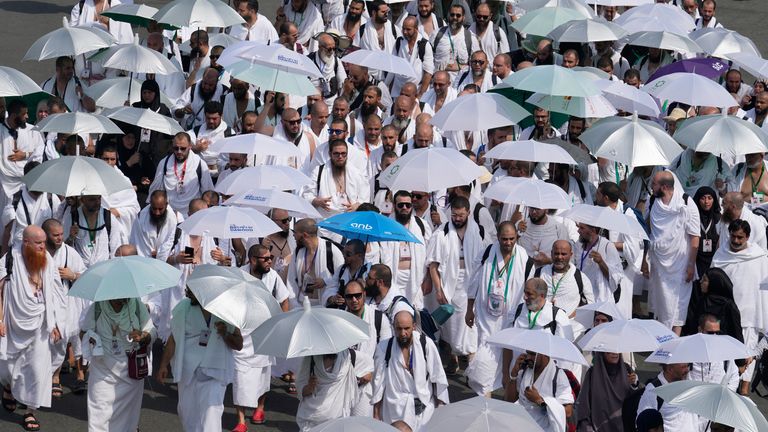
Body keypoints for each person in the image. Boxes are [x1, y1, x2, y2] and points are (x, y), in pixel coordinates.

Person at [0, 226, 63, 432]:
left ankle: (30, 411)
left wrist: (54, 323)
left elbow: (54, 294)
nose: (43, 247)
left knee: (37, 370)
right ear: (25, 243)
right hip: (12, 323)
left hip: (40, 324)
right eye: (38, 243)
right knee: (8, 368)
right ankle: (8, 387)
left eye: (44, 243)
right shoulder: (9, 260)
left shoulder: (48, 260)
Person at [156, 288, 243, 432]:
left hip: (214, 373)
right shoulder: (184, 307)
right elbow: (173, 339)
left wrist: (225, 333)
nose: (187, 293)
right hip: (188, 372)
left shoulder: (226, 310)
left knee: (211, 418)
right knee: (188, 416)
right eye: (187, 289)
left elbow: (239, 344)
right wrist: (163, 365)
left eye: (190, 290)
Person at [465, 222, 531, 396]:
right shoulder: (487, 253)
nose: (508, 243)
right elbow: (473, 281)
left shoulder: (523, 256)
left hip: (511, 318)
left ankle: (508, 394)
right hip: (487, 316)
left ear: (516, 237)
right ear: (498, 238)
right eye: (504, 239)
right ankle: (484, 395)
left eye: (512, 239)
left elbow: (529, 285)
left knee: (510, 361)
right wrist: (469, 308)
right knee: (486, 356)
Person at [426, 196, 489, 372]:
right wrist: (438, 290)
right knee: (449, 329)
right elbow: (433, 265)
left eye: (461, 215)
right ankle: (453, 360)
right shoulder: (441, 233)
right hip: (448, 285)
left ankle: (472, 367)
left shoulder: (479, 232)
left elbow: (487, 259)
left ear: (468, 212)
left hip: (472, 284)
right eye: (454, 215)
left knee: (471, 329)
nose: (457, 219)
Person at [231, 246, 291, 430]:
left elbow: (284, 299)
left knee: (263, 375)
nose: (270, 261)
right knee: (240, 375)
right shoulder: (238, 274)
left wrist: (281, 323)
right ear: (253, 260)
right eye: (265, 259)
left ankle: (260, 407)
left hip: (265, 332)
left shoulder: (273, 277)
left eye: (270, 258)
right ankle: (241, 420)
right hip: (243, 332)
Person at [710, 219, 768, 395]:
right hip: (724, 315)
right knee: (723, 365)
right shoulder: (721, 254)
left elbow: (764, 289)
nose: (735, 241)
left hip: (748, 316)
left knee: (746, 363)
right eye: (733, 236)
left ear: (748, 237)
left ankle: (744, 399)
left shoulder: (759, 257)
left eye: (740, 238)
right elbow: (712, 280)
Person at [81, 296, 153, 432]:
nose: (119, 301)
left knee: (127, 418)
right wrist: (93, 342)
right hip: (102, 370)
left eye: (123, 298)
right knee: (100, 413)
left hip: (130, 370)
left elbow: (151, 331)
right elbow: (84, 332)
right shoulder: (97, 307)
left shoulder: (136, 304)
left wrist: (144, 336)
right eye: (116, 298)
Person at [372, 306, 449, 430]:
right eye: (399, 329)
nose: (403, 333)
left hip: (424, 412)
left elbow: (438, 378)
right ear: (393, 327)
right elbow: (378, 384)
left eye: (406, 328)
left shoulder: (426, 344)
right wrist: (376, 415)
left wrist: (441, 409)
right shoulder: (384, 347)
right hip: (394, 413)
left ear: (413, 326)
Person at [643, 171, 700, 334]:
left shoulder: (687, 203)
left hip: (680, 264)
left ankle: (672, 346)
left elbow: (695, 237)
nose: (651, 187)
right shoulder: (652, 201)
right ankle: (662, 341)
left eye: (654, 184)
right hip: (658, 263)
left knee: (678, 306)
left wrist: (691, 265)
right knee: (661, 304)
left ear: (665, 187)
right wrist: (644, 261)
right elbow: (648, 233)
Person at [42, 219, 86, 400]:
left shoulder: (70, 253)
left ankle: (55, 376)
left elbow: (85, 276)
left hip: (65, 305)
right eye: (56, 235)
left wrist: (73, 275)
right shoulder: (39, 252)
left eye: (62, 234)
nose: (60, 238)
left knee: (61, 341)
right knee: (43, 343)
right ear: (46, 236)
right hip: (42, 304)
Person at [341, 280, 387, 416]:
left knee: (361, 426)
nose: (354, 300)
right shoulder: (338, 318)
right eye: (349, 297)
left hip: (366, 384)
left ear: (364, 294)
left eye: (358, 295)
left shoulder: (378, 319)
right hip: (342, 384)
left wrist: (371, 374)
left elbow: (386, 355)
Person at [379, 191, 431, 308]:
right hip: (393, 278)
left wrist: (428, 278)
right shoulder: (386, 226)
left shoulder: (421, 225)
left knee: (415, 315)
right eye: (400, 205)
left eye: (408, 205)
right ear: (394, 205)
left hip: (416, 279)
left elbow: (429, 255)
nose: (404, 208)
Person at [295, 347, 366, 430]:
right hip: (311, 420)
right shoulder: (310, 358)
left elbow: (369, 368)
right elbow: (301, 389)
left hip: (337, 420)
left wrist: (358, 378)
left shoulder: (348, 356)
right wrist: (309, 387)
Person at [146, 132, 215, 217]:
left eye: (183, 148)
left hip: (192, 215)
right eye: (176, 148)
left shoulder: (199, 164)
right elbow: (155, 190)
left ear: (190, 146)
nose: (179, 151)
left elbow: (208, 194)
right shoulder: (164, 163)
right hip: (170, 215)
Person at [506, 349, 575, 432]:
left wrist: (539, 401)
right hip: (521, 425)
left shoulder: (558, 375)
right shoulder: (524, 371)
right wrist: (514, 374)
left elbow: (568, 412)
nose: (528, 357)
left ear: (544, 354)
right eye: (527, 353)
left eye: (533, 354)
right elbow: (510, 400)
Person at [303, 139, 370, 218]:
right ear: (330, 154)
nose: (340, 157)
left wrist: (357, 206)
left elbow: (364, 196)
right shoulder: (318, 171)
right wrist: (316, 201)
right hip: (326, 220)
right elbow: (307, 195)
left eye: (343, 154)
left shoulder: (357, 173)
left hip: (350, 219)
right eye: (336, 154)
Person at [286, 218, 343, 304]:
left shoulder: (331, 250)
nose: (293, 236)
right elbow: (291, 280)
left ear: (304, 235)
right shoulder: (298, 252)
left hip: (324, 306)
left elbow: (342, 277)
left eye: (295, 232)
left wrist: (325, 281)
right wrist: (294, 304)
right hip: (301, 305)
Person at [575, 352, 637, 431]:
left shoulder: (626, 370)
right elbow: (584, 406)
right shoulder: (593, 374)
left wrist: (633, 384)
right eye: (609, 351)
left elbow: (634, 402)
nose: (615, 353)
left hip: (624, 427)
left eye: (617, 350)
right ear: (602, 353)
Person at [535, 240, 594, 318]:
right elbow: (528, 297)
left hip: (570, 327)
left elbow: (590, 306)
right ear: (551, 253)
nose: (559, 257)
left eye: (563, 254)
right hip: (541, 325)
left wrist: (571, 317)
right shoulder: (540, 273)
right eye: (556, 253)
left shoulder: (580, 277)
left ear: (571, 254)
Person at [682, 267, 742, 341]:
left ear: (714, 283)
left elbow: (736, 333)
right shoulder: (702, 302)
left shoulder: (728, 305)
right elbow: (694, 328)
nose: (701, 282)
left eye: (705, 280)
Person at [0, 100, 43, 203]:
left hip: (26, 182)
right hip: (5, 184)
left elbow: (40, 151)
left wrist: (26, 155)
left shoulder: (33, 130)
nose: (27, 117)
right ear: (14, 116)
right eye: (24, 114)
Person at [63, 195, 122, 268]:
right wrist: (71, 237)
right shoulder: (72, 218)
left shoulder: (108, 217)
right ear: (82, 200)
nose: (97, 202)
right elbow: (63, 249)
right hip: (79, 270)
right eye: (92, 200)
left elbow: (115, 247)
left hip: (105, 269)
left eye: (99, 198)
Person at [636, 363, 698, 431]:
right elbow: (644, 424)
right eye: (683, 367)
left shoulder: (688, 384)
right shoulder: (653, 390)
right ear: (670, 369)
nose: (687, 370)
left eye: (688, 366)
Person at [688, 314, 739, 393]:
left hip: (718, 399)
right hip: (691, 398)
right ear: (700, 330)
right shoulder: (688, 350)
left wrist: (726, 393)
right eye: (710, 333)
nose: (714, 336)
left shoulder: (724, 352)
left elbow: (734, 375)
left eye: (717, 333)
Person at [573, 223, 623, 304]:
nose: (578, 231)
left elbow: (616, 277)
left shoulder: (607, 246)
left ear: (593, 230)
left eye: (582, 228)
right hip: (580, 295)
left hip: (599, 298)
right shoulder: (578, 244)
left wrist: (601, 262)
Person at [431, 4, 480, 81]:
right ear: (448, 16)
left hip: (461, 84)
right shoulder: (436, 34)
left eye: (458, 15)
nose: (454, 18)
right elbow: (427, 59)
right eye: (452, 15)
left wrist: (459, 67)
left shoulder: (471, 38)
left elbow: (477, 64)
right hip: (438, 83)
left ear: (463, 18)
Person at [129, 190, 179, 262]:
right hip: (144, 258)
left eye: (160, 209)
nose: (157, 213)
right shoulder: (141, 217)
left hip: (166, 258)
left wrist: (159, 254)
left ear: (166, 204)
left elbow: (169, 241)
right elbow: (138, 243)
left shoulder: (173, 218)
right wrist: (151, 253)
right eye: (154, 208)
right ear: (150, 204)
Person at [391, 16, 435, 98]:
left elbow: (428, 73)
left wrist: (420, 94)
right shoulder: (399, 42)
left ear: (416, 28)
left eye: (408, 29)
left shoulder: (424, 45)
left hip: (416, 90)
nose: (404, 32)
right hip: (398, 90)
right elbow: (393, 65)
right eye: (403, 29)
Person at [694, 187, 721, 276]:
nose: (706, 202)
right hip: (696, 259)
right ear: (698, 200)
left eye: (710, 198)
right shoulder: (692, 218)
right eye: (703, 198)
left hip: (715, 259)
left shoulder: (719, 218)